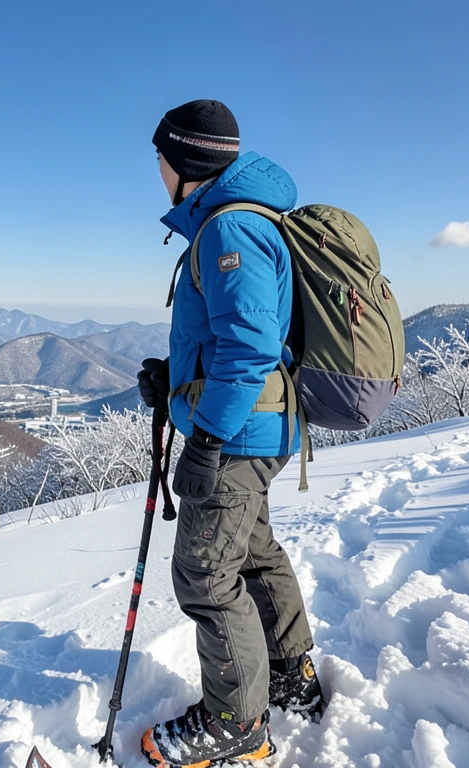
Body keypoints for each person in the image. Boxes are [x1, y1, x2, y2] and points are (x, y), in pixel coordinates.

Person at [137, 99, 324, 768]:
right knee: (251, 552)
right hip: (261, 424)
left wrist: (206, 437)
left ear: (183, 160)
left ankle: (236, 724)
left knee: (206, 575)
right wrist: (176, 376)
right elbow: (237, 338)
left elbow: (247, 346)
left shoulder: (228, 230)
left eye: (159, 156)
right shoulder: (245, 219)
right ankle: (289, 674)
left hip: (238, 435)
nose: (154, 168)